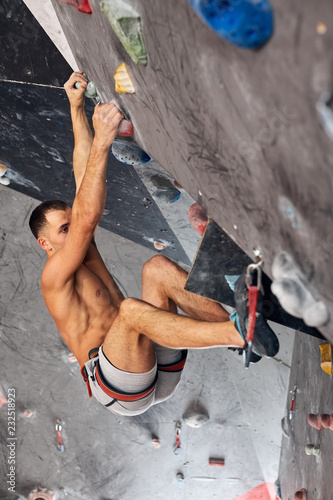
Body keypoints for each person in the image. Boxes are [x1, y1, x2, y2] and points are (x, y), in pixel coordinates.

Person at [29, 72, 277, 416]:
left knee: (157, 269)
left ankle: (243, 325)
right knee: (130, 311)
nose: (74, 233)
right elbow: (85, 219)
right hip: (117, 387)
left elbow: (83, 178)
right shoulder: (53, 277)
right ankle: (239, 335)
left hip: (150, 361)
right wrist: (103, 140)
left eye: (70, 224)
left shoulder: (82, 250)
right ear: (45, 243)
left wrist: (75, 108)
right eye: (63, 230)